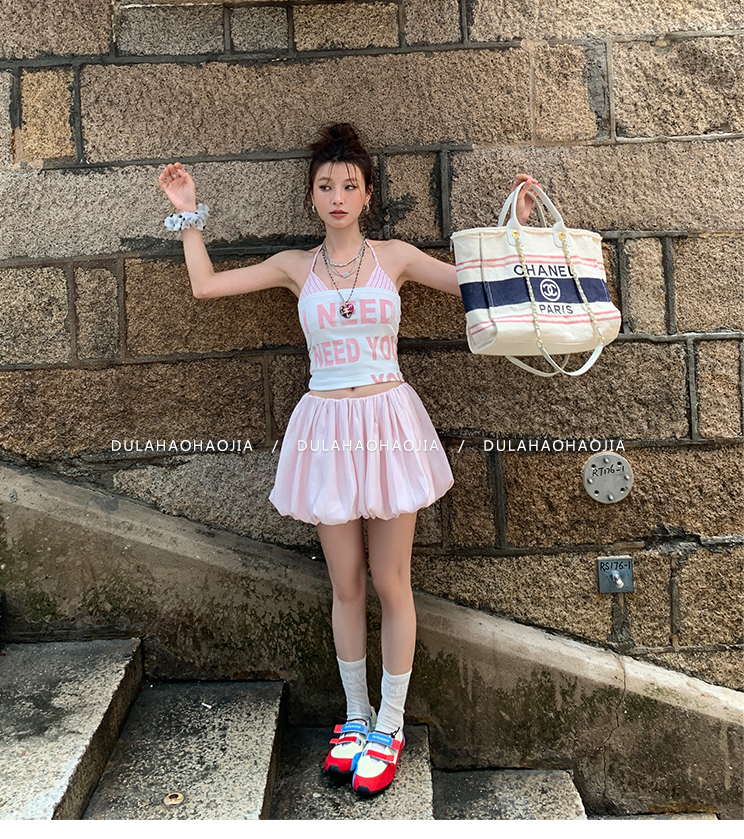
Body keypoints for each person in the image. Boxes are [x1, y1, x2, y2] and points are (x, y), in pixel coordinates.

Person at [158, 123, 541, 797]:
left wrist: (520, 225)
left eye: (349, 185)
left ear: (367, 195)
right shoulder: (294, 266)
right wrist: (188, 212)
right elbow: (206, 286)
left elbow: (477, 285)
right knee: (346, 584)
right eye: (325, 185)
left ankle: (390, 725)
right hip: (327, 428)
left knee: (392, 580)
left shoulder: (395, 257)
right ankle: (356, 716)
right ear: (312, 196)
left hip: (388, 423)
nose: (337, 196)